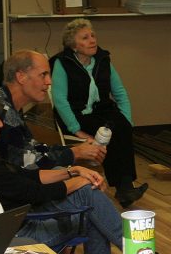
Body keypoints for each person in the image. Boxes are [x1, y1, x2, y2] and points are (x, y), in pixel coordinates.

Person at [0, 89, 171, 254]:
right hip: (19, 232)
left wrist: (71, 171)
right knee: (88, 197)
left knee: (91, 206)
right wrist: (78, 182)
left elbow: (26, 176)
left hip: (22, 219)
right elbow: (31, 192)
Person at [50, 18, 147, 207]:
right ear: (73, 45)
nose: (92, 40)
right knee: (108, 131)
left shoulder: (102, 59)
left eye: (93, 35)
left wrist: (127, 120)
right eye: (85, 38)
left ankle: (125, 187)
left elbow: (119, 91)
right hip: (76, 114)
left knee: (121, 127)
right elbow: (60, 100)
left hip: (102, 110)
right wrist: (76, 130)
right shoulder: (62, 63)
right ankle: (123, 188)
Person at [0, 49, 107, 171]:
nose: (49, 82)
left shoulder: (5, 103)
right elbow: (26, 163)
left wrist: (77, 149)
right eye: (43, 75)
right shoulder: (1, 111)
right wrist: (75, 153)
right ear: (21, 77)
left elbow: (33, 149)